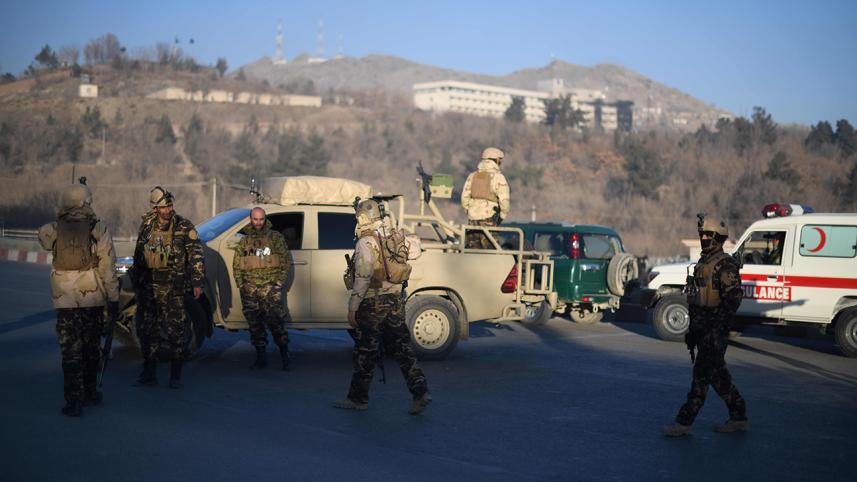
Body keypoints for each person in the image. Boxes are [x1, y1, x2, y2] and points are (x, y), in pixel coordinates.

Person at [334, 199, 432, 415]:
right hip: (395, 301)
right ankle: (420, 391)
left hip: (373, 303)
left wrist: (352, 308)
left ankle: (358, 399)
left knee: (365, 352)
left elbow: (363, 277)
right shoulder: (394, 236)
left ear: (362, 218)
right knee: (403, 349)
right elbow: (416, 251)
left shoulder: (365, 243)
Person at [38, 183, 120, 417]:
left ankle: (73, 400)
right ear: (86, 202)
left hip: (64, 301)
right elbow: (107, 267)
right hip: (92, 297)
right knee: (91, 347)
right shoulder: (98, 228)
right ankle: (91, 392)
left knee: (70, 351)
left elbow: (43, 239)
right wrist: (113, 298)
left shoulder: (53, 229)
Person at [663, 215, 748, 437]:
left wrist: (716, 329)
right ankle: (739, 416)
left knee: (700, 378)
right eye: (702, 234)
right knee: (719, 378)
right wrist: (693, 331)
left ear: (718, 238)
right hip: (702, 331)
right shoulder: (704, 263)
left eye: (708, 235)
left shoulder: (724, 264)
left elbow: (733, 298)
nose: (704, 238)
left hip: (714, 333)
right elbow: (697, 300)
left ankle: (684, 422)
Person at [132, 186, 204, 389]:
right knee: (148, 331)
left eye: (170, 206)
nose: (168, 210)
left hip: (174, 288)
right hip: (149, 288)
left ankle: (175, 375)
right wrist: (137, 280)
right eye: (164, 207)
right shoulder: (146, 226)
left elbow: (196, 255)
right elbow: (139, 253)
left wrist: (197, 281)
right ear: (155, 209)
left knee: (176, 332)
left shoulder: (184, 226)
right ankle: (149, 372)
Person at [232, 207, 292, 370]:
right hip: (250, 289)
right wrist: (241, 284)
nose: (258, 222)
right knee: (255, 325)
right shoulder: (244, 240)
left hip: (269, 288)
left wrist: (279, 281)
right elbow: (237, 263)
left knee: (276, 323)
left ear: (265, 219)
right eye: (255, 219)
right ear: (251, 219)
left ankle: (285, 357)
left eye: (261, 219)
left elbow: (285, 259)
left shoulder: (275, 237)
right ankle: (261, 358)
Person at [460, 147, 510, 249]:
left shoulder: (472, 176)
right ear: (496, 160)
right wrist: (501, 217)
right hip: (489, 220)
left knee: (471, 253)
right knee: (491, 254)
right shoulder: (498, 177)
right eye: (499, 161)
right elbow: (504, 202)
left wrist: (470, 211)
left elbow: (464, 199)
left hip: (472, 222)